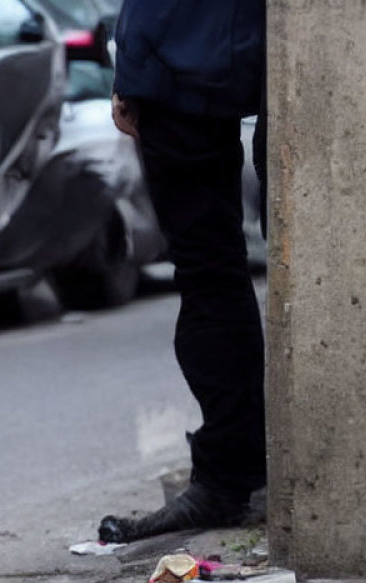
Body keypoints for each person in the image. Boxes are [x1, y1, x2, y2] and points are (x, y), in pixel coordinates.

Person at [98, 0, 267, 543]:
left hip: (179, 57)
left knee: (209, 274)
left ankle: (228, 476)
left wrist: (133, 73)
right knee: (223, 272)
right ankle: (240, 466)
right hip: (273, 48)